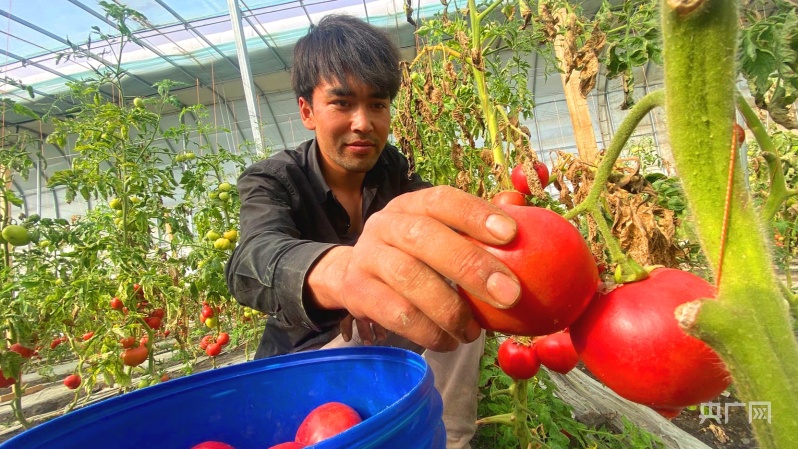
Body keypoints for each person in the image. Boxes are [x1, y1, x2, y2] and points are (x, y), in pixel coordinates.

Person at [225, 14, 521, 449]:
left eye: (377, 104)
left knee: (457, 284)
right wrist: (344, 277)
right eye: (342, 103)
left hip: (386, 339)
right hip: (307, 358)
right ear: (307, 110)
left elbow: (439, 231)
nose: (363, 122)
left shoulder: (392, 169)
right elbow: (252, 261)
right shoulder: (272, 179)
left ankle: (451, 438)